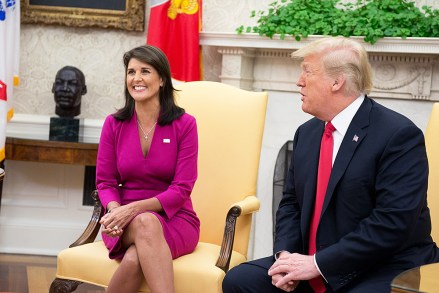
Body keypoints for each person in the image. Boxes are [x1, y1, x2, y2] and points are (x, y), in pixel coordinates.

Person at [223, 36, 439, 293]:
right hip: (312, 262)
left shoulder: (398, 135)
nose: (299, 81)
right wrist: (286, 256)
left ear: (337, 82)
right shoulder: (307, 133)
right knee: (240, 281)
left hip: (380, 265)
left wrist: (318, 263)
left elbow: (392, 222)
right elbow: (290, 203)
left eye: (307, 71)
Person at [96, 45, 200, 293]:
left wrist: (131, 209)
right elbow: (105, 182)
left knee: (134, 258)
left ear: (162, 78)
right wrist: (115, 210)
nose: (137, 78)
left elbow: (182, 188)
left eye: (145, 71)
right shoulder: (114, 124)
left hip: (176, 219)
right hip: (122, 222)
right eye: (131, 72)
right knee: (144, 224)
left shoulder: (185, 125)